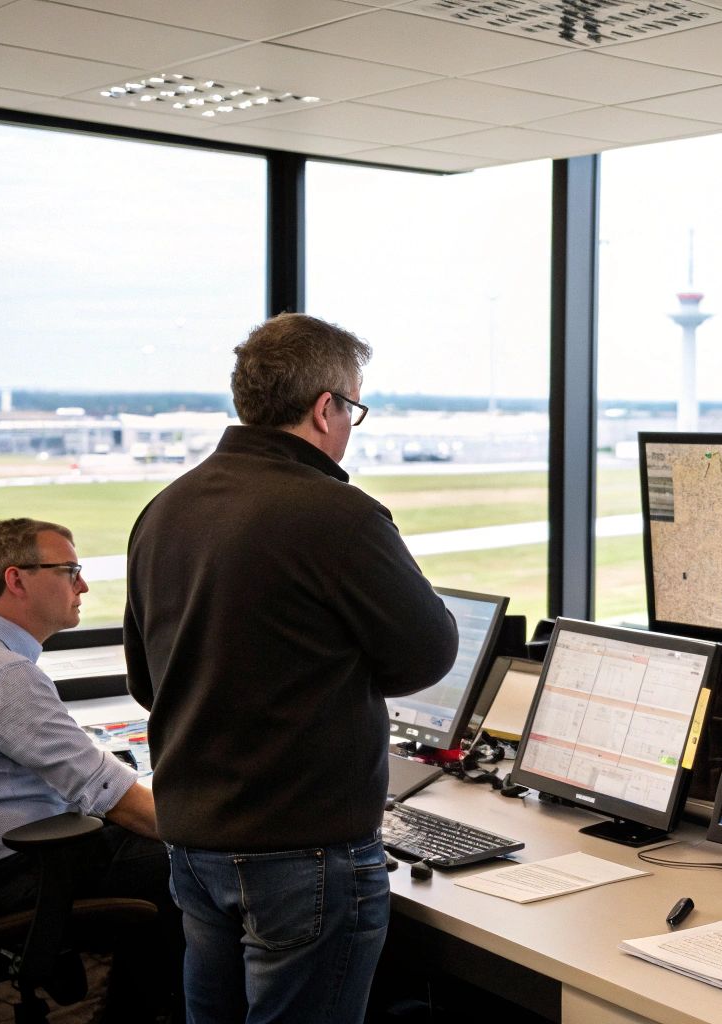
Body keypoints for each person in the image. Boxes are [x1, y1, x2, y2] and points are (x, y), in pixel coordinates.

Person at [123, 312, 458, 1024]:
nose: (347, 429)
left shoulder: (164, 510)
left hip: (194, 842)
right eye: (353, 409)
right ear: (324, 407)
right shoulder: (338, 515)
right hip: (301, 852)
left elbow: (149, 684)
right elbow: (428, 654)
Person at [0, 517, 179, 1018]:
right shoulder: (3, 674)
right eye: (69, 570)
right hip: (20, 872)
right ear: (16, 579)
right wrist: (220, 830)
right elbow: (116, 800)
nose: (83, 585)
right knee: (191, 866)